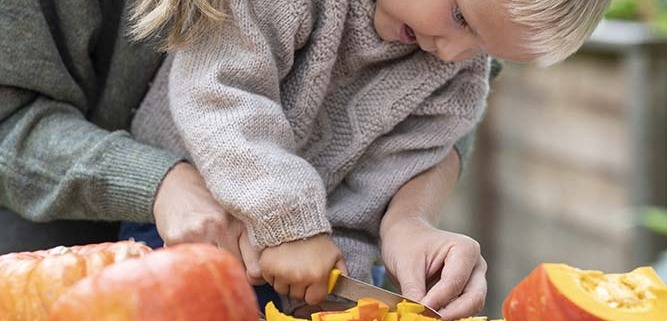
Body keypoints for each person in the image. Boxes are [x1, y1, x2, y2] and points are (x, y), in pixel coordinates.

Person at [122, 0, 610, 319]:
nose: (453, 51)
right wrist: (289, 224)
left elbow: (373, 196)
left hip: (313, 267)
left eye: (484, 47)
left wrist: (329, 302)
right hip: (181, 239)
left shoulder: (456, 74)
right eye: (461, 17)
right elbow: (219, 97)